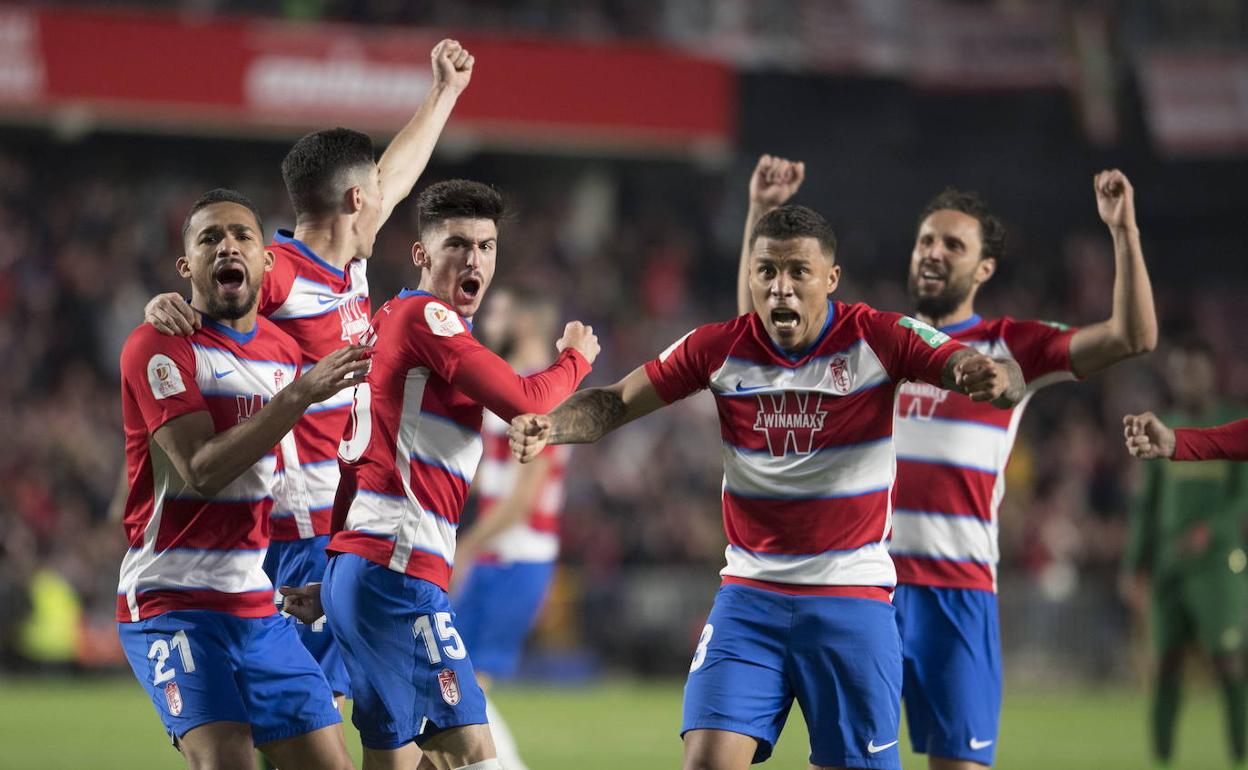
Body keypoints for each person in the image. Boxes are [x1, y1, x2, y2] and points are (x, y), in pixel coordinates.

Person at [507, 204, 1025, 770]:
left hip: (850, 602)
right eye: (767, 271)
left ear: (830, 278)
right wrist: (549, 425)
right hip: (749, 599)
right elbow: (614, 402)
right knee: (705, 760)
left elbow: (973, 365)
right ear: (750, 275)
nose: (781, 288)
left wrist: (992, 377)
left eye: (798, 272)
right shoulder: (718, 347)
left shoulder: (877, 336)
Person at [737, 156, 1157, 770]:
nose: (933, 252)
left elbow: (1133, 337)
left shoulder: (1009, 347)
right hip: (859, 586)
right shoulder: (870, 338)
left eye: (953, 245)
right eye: (926, 239)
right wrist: (757, 213)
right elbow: (754, 334)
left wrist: (1123, 230)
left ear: (984, 267)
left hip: (956, 594)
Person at [142, 39, 474, 706]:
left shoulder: (350, 263)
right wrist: (163, 307)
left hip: (341, 528)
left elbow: (398, 170)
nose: (388, 191)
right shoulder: (283, 271)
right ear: (357, 199)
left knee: (341, 713)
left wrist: (443, 94)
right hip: (302, 536)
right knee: (320, 715)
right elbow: (217, 289)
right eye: (375, 188)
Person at [282, 180, 599, 770]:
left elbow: (355, 462)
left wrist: (333, 574)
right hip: (398, 569)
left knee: (400, 762)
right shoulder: (428, 318)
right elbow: (528, 396)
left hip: (367, 569)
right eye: (458, 243)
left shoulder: (392, 320)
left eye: (486, 246)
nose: (474, 258)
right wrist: (578, 355)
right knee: (475, 752)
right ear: (422, 254)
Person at [117, 189, 369, 768]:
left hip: (255, 602)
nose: (226, 245)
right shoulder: (160, 345)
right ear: (187, 267)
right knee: (228, 758)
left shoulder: (285, 349)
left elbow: (295, 475)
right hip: (170, 599)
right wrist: (299, 394)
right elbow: (202, 469)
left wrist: (333, 568)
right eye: (209, 238)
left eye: (241, 236)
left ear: (266, 262)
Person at [451, 287, 573, 770]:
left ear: (522, 323)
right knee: (455, 687)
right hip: (503, 556)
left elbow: (523, 499)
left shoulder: (543, 396)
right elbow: (489, 476)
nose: (486, 322)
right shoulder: (518, 388)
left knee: (460, 688)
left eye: (498, 312)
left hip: (514, 557)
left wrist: (465, 548)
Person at [1121, 339, 1248, 770]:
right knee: (1165, 664)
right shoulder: (1167, 425)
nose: (1186, 379)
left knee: (1229, 660)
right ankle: (1160, 758)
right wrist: (1133, 564)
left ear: (1213, 371)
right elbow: (1145, 506)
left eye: (1193, 370)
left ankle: (1239, 753)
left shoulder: (1231, 418)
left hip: (1218, 563)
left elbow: (1242, 498)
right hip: (1170, 561)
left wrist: (1212, 531)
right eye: (1179, 371)